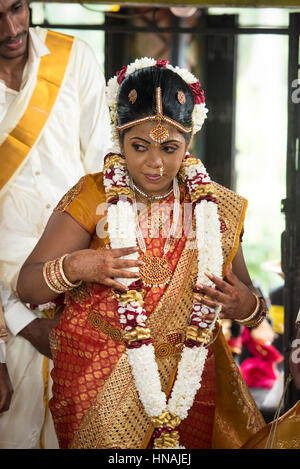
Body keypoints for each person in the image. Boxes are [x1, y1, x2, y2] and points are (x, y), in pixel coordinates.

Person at [17, 58, 268, 449]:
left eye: (170, 148)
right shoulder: (94, 195)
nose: (155, 162)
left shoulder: (212, 208)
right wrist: (77, 266)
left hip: (186, 383)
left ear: (188, 143)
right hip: (96, 382)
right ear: (120, 140)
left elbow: (254, 306)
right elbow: (28, 288)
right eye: (139, 147)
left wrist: (243, 305)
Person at [0, 0, 111, 449]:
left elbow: (106, 182)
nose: (11, 27)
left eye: (17, 8)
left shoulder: (73, 57)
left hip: (80, 285)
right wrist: (17, 321)